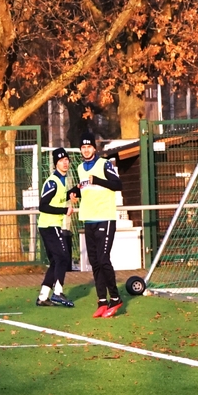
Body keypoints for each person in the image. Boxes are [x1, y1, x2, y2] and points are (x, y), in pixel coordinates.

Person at [73, 132, 123, 318]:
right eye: (83, 147)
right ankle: (102, 300)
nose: (86, 150)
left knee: (103, 259)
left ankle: (115, 298)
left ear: (94, 148)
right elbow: (86, 189)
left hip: (105, 218)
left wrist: (98, 179)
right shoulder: (80, 168)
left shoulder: (104, 164)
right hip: (89, 219)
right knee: (94, 262)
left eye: (89, 147)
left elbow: (117, 184)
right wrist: (74, 193)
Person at [36, 147, 75, 307]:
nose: (64, 163)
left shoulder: (62, 181)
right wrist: (64, 210)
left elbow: (58, 198)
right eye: (60, 161)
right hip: (49, 225)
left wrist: (71, 194)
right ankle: (58, 293)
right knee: (63, 258)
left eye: (66, 160)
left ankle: (43, 296)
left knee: (55, 261)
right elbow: (43, 206)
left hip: (51, 225)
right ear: (55, 164)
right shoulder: (53, 181)